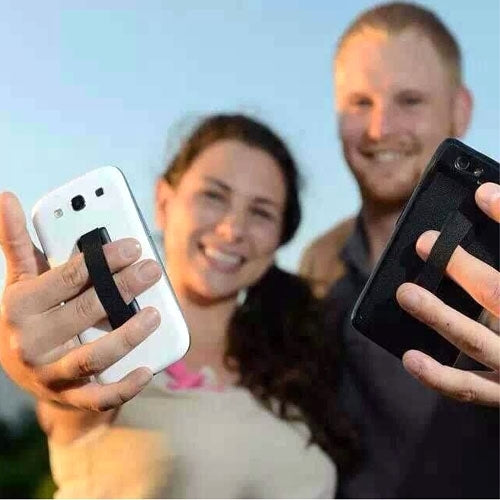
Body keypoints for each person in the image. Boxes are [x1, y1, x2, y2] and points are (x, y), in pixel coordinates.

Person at [0, 114, 359, 498]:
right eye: (213, 196)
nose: (232, 229)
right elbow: (59, 382)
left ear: (279, 239)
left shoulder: (299, 359)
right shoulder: (104, 349)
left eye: (261, 212)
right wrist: (28, 359)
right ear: (164, 201)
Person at [299, 2, 499, 498]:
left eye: (409, 100)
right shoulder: (318, 262)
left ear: (460, 110)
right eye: (359, 102)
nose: (379, 128)